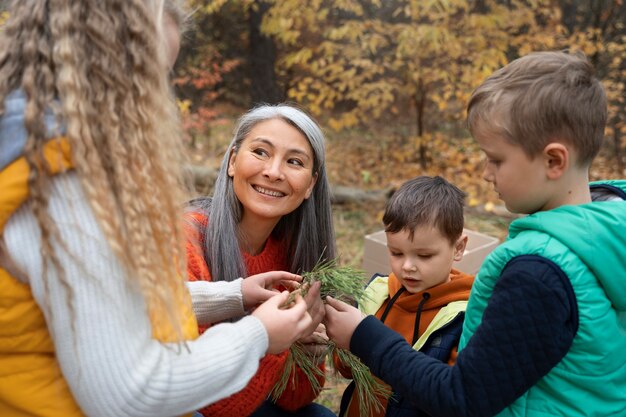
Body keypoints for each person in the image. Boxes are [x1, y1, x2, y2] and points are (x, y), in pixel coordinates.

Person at [0, 1, 318, 416]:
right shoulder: (66, 184)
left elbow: (106, 300)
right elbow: (128, 395)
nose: (160, 95)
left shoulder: (28, 147)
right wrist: (259, 335)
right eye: (154, 75)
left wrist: (232, 296)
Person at [324, 50, 626, 416]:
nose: (485, 172)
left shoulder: (539, 274)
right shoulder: (605, 227)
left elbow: (463, 399)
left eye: (496, 159)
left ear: (554, 161)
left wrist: (363, 336)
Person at [184, 103, 337, 417]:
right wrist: (270, 340)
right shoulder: (188, 239)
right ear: (232, 162)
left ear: (310, 184)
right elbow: (208, 403)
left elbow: (294, 401)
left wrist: (304, 353)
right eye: (261, 152)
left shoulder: (296, 256)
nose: (273, 172)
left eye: (294, 161)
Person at [335, 175, 474, 417]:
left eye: (424, 256)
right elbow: (347, 369)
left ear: (458, 247)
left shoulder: (464, 318)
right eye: (397, 253)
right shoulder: (377, 293)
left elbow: (452, 400)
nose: (408, 266)